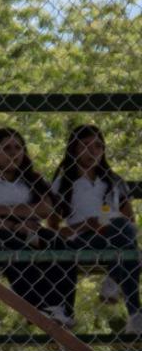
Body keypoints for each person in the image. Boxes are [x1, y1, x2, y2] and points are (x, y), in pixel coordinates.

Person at [0, 128, 66, 324]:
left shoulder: (30, 179)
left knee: (58, 242)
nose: (14, 153)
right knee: (14, 246)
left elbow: (46, 209)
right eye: (7, 148)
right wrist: (16, 226)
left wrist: (2, 209)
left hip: (28, 232)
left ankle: (62, 309)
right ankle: (37, 308)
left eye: (18, 148)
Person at [52, 124, 139, 334]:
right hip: (81, 240)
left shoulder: (113, 181)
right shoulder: (64, 182)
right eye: (87, 146)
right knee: (131, 251)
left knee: (126, 237)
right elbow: (53, 230)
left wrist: (112, 222)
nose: (94, 152)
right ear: (74, 149)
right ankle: (126, 298)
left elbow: (130, 221)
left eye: (98, 146)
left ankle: (132, 309)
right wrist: (86, 225)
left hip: (115, 235)